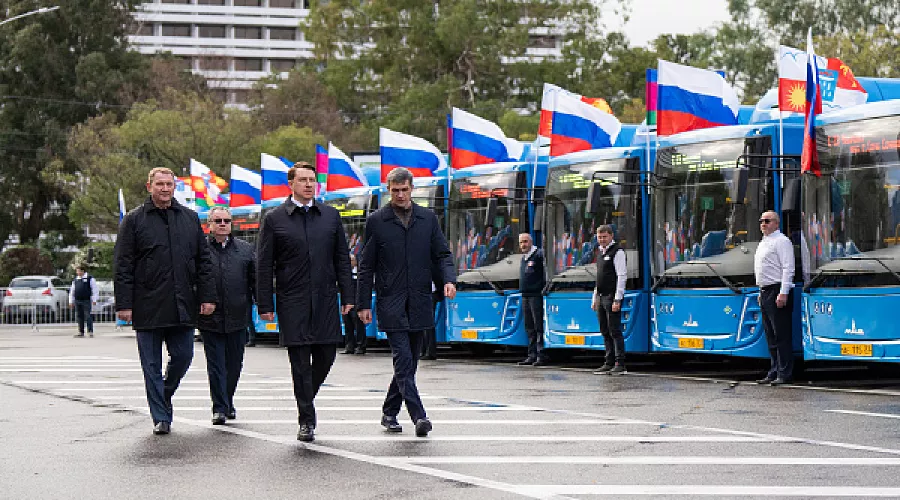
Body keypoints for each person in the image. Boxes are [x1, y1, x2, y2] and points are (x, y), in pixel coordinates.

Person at [114, 167, 216, 435]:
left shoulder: (190, 218)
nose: (165, 188)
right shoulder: (134, 221)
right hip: (146, 305)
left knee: (183, 356)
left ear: (174, 187)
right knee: (151, 365)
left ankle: (163, 393)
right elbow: (123, 265)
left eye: (169, 184)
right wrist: (124, 304)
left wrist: (207, 296)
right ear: (149, 187)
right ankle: (161, 416)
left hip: (182, 303)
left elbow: (204, 262)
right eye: (159, 184)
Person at [256, 162, 353, 442]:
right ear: (291, 184)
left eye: (312, 180)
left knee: (326, 355)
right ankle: (306, 420)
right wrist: (265, 305)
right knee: (299, 362)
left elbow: (342, 261)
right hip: (292, 300)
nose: (309, 185)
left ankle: (305, 396)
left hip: (324, 299)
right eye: (303, 180)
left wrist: (348, 296)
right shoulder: (275, 219)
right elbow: (264, 266)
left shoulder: (330, 216)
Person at [357, 167, 456, 438]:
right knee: (403, 360)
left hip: (421, 300)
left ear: (412, 189)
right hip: (391, 301)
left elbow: (442, 254)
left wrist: (449, 279)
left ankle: (389, 412)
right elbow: (366, 265)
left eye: (404, 190)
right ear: (388, 190)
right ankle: (419, 416)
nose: (400, 195)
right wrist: (363, 303)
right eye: (395, 190)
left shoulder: (427, 218)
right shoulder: (377, 220)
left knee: (410, 362)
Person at [197, 206, 256, 425]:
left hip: (238, 316)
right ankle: (219, 407)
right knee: (216, 365)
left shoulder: (245, 249)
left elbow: (254, 280)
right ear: (209, 225)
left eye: (227, 221)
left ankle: (228, 400)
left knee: (234, 364)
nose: (223, 224)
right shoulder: (200, 249)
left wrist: (262, 304)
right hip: (210, 318)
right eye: (218, 220)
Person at [754, 210, 796, 386]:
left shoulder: (782, 241)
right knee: (770, 335)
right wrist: (759, 291)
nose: (763, 224)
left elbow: (788, 268)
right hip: (765, 291)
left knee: (781, 335)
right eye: (761, 221)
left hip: (777, 290)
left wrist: (783, 292)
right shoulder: (764, 242)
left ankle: (785, 373)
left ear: (776, 224)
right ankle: (774, 370)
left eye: (767, 221)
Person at [592, 225, 628, 375]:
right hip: (600, 297)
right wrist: (594, 298)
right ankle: (609, 362)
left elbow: (622, 276)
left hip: (611, 297)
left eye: (604, 237)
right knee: (604, 331)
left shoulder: (617, 252)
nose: (602, 240)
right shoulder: (600, 253)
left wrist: (617, 299)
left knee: (615, 331)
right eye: (599, 237)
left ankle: (620, 364)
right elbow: (598, 278)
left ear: (611, 236)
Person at [517, 233, 549, 366]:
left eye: (525, 242)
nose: (523, 245)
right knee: (529, 327)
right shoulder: (524, 258)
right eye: (521, 243)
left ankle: (541, 355)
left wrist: (543, 290)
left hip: (536, 295)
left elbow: (545, 274)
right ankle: (531, 355)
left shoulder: (539, 255)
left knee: (538, 326)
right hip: (525, 296)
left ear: (531, 242)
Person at [341, 254, 367, 355]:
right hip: (346, 303)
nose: (350, 262)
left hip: (356, 303)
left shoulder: (360, 273)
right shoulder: (345, 274)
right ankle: (349, 346)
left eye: (351, 260)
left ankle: (361, 346)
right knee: (348, 325)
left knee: (358, 325)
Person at [69, 266, 98, 338]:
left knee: (88, 315)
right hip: (77, 300)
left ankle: (90, 331)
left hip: (86, 300)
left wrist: (94, 299)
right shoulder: (75, 279)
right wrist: (71, 301)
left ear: (83, 271)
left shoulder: (90, 278)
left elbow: (95, 290)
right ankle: (81, 331)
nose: (78, 273)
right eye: (77, 271)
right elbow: (72, 291)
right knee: (79, 316)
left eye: (79, 271)